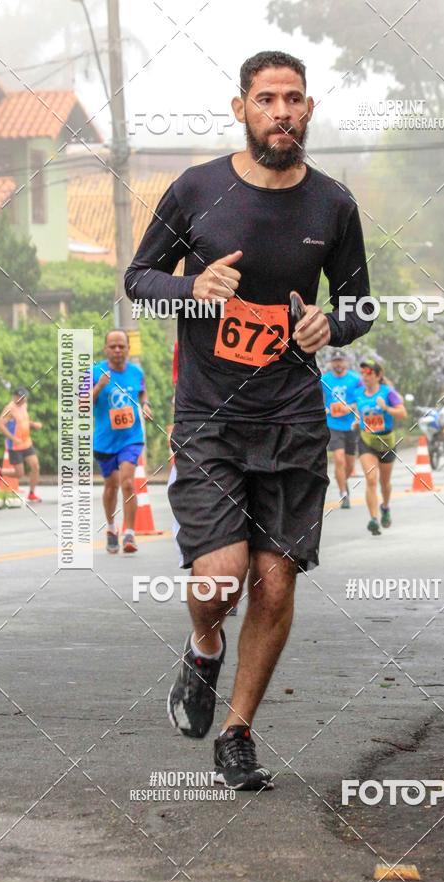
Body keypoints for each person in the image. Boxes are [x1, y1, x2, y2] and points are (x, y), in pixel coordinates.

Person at [125, 50, 371, 789]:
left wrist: (334, 325)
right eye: (266, 99)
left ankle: (237, 731)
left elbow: (360, 303)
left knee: (276, 581)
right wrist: (192, 286)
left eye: (294, 99)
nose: (282, 112)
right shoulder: (197, 189)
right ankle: (204, 647)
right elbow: (139, 280)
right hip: (209, 419)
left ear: (309, 109)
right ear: (242, 109)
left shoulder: (333, 204)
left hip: (294, 420)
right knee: (223, 575)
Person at [92, 330, 152, 553]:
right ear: (105, 349)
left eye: (121, 346)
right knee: (111, 486)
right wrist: (99, 386)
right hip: (105, 441)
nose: (117, 350)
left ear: (128, 348)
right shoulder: (94, 372)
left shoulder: (136, 372)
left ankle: (130, 534)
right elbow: (81, 403)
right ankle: (110, 527)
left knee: (128, 482)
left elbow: (142, 393)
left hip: (131, 438)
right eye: (113, 346)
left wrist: (145, 405)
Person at [353, 360, 407, 535]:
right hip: (366, 441)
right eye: (363, 373)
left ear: (378, 376)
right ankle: (373, 519)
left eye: (369, 373)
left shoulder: (388, 393)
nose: (365, 377)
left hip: (386, 442)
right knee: (371, 479)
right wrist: (356, 420)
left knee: (385, 483)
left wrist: (387, 408)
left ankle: (385, 507)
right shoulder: (358, 393)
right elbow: (359, 410)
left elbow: (403, 413)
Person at [322, 350, 362, 508]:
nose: (338, 363)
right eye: (335, 361)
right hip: (333, 424)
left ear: (346, 362)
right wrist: (324, 409)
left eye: (340, 360)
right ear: (331, 363)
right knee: (339, 459)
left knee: (350, 464)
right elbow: (315, 398)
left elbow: (363, 398)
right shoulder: (324, 380)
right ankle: (343, 493)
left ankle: (343, 481)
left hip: (351, 424)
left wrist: (351, 407)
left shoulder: (355, 379)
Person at [0, 387, 42, 502]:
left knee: (35, 466)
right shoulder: (9, 409)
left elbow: (23, 421)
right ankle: (0, 472)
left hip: (27, 443)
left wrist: (33, 424)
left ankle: (31, 493)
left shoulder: (24, 405)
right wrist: (13, 438)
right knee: (19, 474)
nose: (23, 400)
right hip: (15, 446)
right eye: (21, 398)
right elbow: (0, 425)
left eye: (25, 398)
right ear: (15, 397)